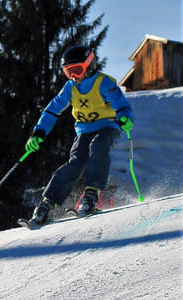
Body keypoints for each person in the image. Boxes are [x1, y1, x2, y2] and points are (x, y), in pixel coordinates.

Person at [25, 45, 134, 225]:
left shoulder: (104, 82)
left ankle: (91, 195)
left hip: (108, 126)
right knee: (76, 163)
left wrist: (124, 117)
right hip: (84, 130)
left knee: (98, 146)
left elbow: (120, 103)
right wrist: (39, 132)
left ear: (89, 65)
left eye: (77, 70)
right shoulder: (70, 87)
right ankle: (47, 204)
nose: (74, 76)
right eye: (68, 73)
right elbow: (52, 110)